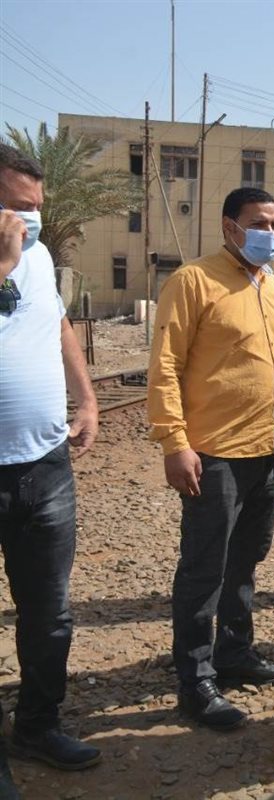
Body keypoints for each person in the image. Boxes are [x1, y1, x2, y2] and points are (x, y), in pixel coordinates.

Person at [149, 187, 274, 732]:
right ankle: (195, 681)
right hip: (214, 452)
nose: (270, 233)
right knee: (204, 568)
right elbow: (166, 364)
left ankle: (235, 653)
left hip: (269, 449)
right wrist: (174, 441)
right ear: (229, 227)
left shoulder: (272, 285)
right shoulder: (193, 281)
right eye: (260, 223)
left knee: (246, 559)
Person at [0, 144, 101, 773]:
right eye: (18, 205)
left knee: (48, 613)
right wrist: (2, 265)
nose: (31, 218)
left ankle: (37, 726)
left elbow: (58, 325)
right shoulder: (14, 258)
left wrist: (86, 399)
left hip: (44, 466)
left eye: (36, 205)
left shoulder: (36, 257)